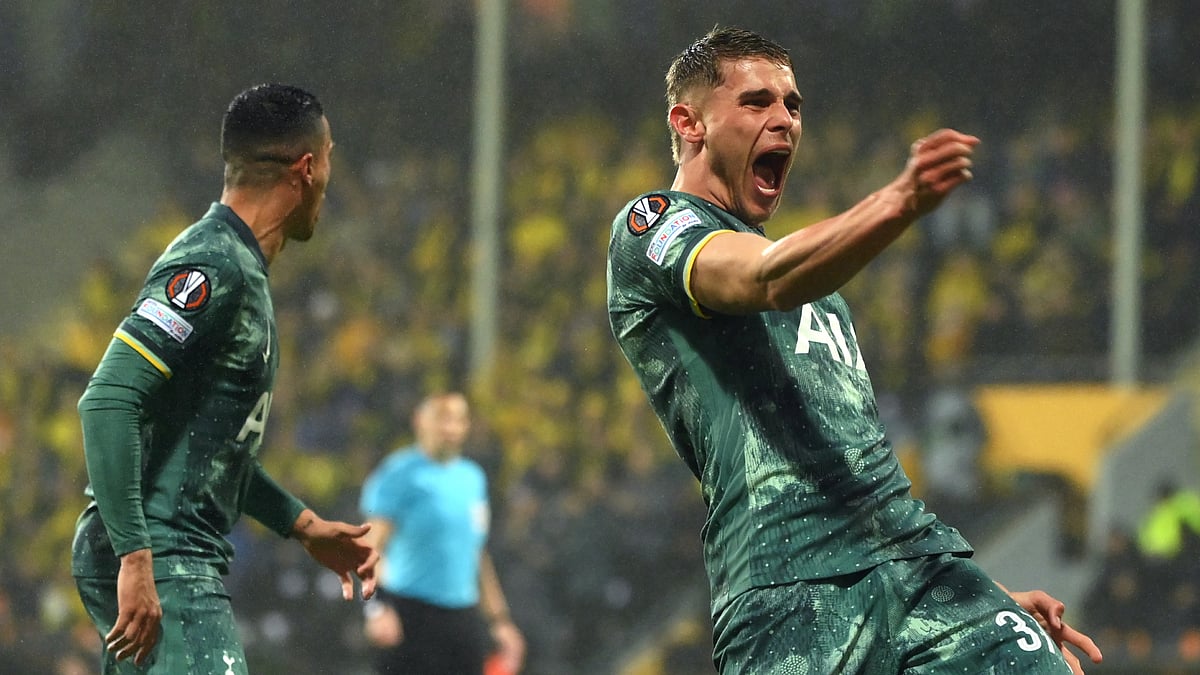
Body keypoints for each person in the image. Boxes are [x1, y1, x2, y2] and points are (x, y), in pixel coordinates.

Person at [606, 27, 1104, 674]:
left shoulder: (825, 289)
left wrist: (983, 600)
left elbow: (853, 449)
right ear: (690, 122)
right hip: (789, 587)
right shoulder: (652, 225)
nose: (784, 118)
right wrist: (899, 200)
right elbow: (764, 278)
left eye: (793, 104)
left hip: (921, 568)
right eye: (758, 102)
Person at [72, 83, 379, 674]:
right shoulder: (215, 264)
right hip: (165, 556)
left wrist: (304, 525)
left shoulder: (238, 267)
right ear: (307, 167)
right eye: (332, 158)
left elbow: (209, 447)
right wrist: (138, 558)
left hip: (166, 553)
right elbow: (107, 400)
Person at [359, 392, 525, 674]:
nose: (451, 428)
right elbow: (368, 545)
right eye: (442, 419)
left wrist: (500, 620)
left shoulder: (472, 478)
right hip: (410, 615)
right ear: (420, 421)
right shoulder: (399, 474)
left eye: (459, 420)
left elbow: (475, 552)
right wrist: (377, 608)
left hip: (462, 618)